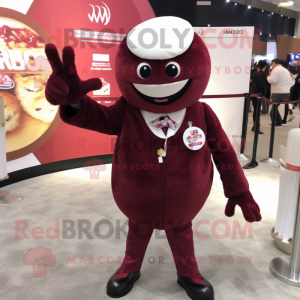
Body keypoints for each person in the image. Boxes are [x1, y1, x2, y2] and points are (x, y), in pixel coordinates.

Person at [44, 16, 261, 300]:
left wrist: (240, 191)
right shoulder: (127, 110)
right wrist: (74, 101)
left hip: (184, 201)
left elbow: (224, 153)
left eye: (171, 69)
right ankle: (130, 268)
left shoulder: (201, 113)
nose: (159, 80)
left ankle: (188, 273)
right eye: (145, 71)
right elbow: (98, 117)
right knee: (138, 228)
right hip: (138, 197)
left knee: (181, 229)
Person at [267, 59, 295, 127]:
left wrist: (268, 77)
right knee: (275, 108)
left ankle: (276, 122)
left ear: (274, 63)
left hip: (277, 92)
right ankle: (279, 122)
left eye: (272, 63)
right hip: (286, 92)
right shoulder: (286, 70)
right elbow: (292, 82)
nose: (272, 64)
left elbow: (273, 80)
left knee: (274, 108)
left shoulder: (275, 70)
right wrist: (286, 87)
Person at [249, 60, 269, 134]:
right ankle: (256, 127)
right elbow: (262, 85)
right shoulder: (260, 74)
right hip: (257, 94)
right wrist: (264, 93)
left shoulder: (255, 72)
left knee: (256, 110)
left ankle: (255, 126)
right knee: (257, 111)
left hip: (254, 93)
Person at [281, 60, 296, 124]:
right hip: (289, 89)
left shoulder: (285, 72)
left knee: (285, 104)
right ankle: (286, 116)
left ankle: (285, 118)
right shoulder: (290, 70)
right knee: (287, 103)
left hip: (285, 89)